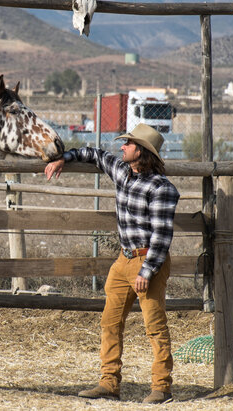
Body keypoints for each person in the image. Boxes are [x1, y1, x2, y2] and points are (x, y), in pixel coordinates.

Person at [44, 123, 180, 404]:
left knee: (154, 325)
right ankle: (109, 383)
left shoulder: (161, 188)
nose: (122, 147)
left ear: (141, 152)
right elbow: (92, 154)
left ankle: (162, 387)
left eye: (128, 144)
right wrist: (63, 158)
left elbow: (163, 234)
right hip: (124, 258)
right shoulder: (121, 170)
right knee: (110, 321)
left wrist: (148, 270)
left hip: (146, 260)